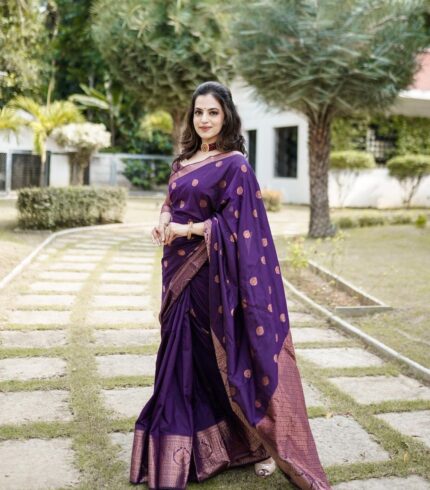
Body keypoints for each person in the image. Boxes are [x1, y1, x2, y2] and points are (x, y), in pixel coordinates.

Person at [130, 81, 331, 490]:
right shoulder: (184, 161)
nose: (204, 119)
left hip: (209, 275)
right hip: (176, 270)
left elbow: (239, 224)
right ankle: (200, 442)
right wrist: (163, 220)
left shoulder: (235, 164)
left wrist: (187, 229)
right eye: (198, 112)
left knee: (213, 356)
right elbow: (171, 200)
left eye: (213, 112)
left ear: (226, 117)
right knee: (182, 356)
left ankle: (250, 440)